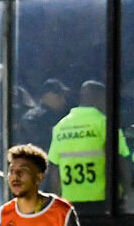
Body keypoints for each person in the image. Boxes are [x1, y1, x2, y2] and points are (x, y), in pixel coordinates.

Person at [47, 80, 121, 208]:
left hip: (70, 202)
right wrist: (125, 194)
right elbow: (120, 160)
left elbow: (55, 168)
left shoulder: (61, 126)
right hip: (103, 201)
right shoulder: (105, 123)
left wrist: (56, 202)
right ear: (99, 98)